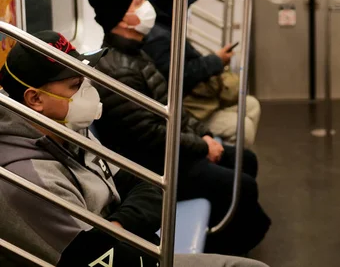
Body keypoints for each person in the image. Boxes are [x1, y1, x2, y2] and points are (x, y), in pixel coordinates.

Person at [0, 30, 269, 267]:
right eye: (75, 85)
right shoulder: (26, 179)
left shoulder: (67, 131)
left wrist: (117, 226)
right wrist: (129, 226)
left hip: (137, 247)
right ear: (35, 99)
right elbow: (99, 256)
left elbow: (147, 187)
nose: (87, 91)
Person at [86, 0, 271, 256]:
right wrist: (202, 147)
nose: (147, 7)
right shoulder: (117, 70)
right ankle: (222, 251)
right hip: (155, 164)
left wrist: (204, 135)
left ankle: (230, 230)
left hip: (170, 151)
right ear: (121, 18)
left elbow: (171, 108)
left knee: (247, 160)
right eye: (138, 2)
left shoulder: (136, 53)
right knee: (242, 185)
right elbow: (149, 134)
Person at [143, 0, 261, 146]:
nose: (188, 11)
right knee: (243, 127)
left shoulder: (167, 27)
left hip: (195, 99)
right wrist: (216, 61)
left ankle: (236, 159)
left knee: (251, 104)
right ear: (173, 4)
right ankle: (227, 163)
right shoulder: (158, 37)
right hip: (188, 105)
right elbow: (177, 76)